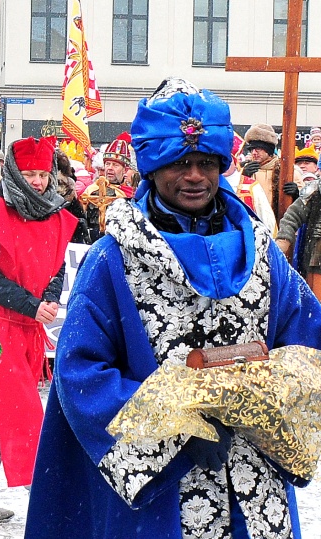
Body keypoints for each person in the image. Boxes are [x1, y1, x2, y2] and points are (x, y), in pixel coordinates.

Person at [24, 78, 321, 538]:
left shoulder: (262, 252)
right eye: (179, 162)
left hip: (253, 485)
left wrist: (265, 402)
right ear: (152, 166)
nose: (195, 176)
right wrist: (175, 430)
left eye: (206, 162)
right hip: (158, 499)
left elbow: (307, 342)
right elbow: (81, 373)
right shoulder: (112, 260)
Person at [0, 135, 77, 522]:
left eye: (43, 174)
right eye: (30, 174)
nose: (37, 182)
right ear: (13, 173)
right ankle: (42, 493)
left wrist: (51, 297)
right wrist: (31, 303)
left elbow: (56, 266)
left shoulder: (58, 216)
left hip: (29, 333)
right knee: (18, 412)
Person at [240, 122, 304, 227]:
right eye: (251, 149)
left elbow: (305, 205)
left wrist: (296, 195)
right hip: (253, 226)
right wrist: (243, 178)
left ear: (269, 150)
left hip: (281, 228)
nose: (254, 153)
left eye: (258, 149)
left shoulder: (289, 172)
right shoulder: (244, 171)